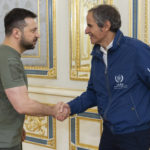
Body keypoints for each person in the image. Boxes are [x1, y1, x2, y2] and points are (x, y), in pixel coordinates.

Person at [58, 4, 150, 150]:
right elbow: (93, 93)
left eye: (90, 26)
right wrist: (70, 107)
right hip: (109, 132)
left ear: (106, 26)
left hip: (135, 135)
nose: (86, 30)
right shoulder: (97, 56)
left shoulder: (136, 51)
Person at [0, 8, 63, 150]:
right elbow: (23, 105)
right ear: (16, 33)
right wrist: (53, 110)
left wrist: (17, 128)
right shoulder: (10, 60)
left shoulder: (3, 54)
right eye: (33, 30)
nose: (38, 35)